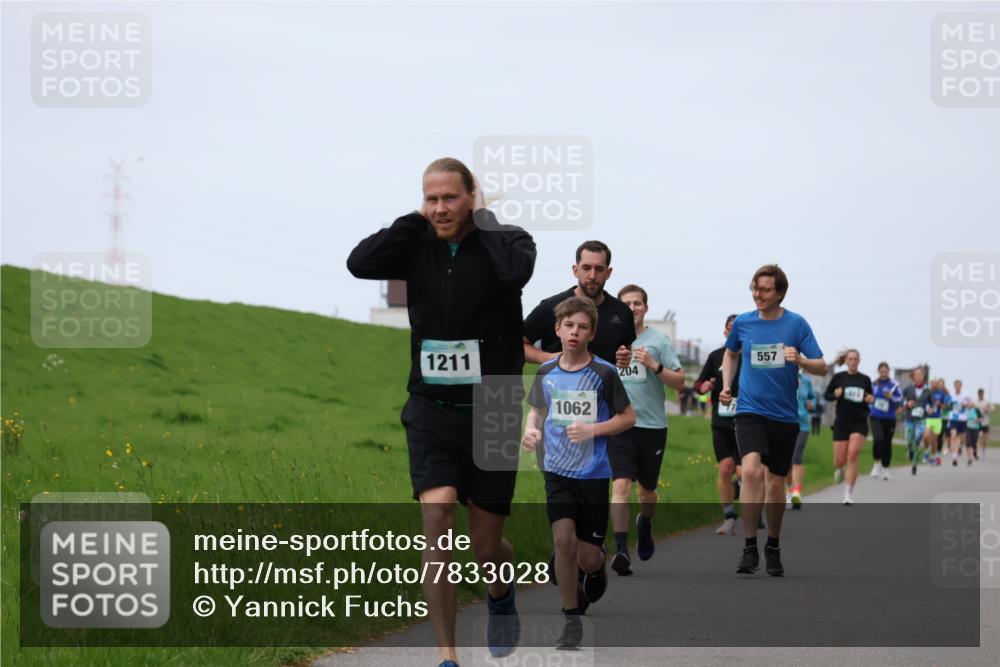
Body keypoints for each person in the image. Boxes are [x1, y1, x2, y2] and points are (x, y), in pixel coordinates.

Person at [347, 157, 536, 667]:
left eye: (450, 197)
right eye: (430, 198)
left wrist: (486, 223)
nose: (439, 208)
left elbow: (516, 272)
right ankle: (448, 655)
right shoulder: (417, 241)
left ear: (472, 196)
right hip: (431, 405)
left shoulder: (509, 240)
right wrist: (414, 222)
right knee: (438, 515)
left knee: (485, 545)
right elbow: (359, 263)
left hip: (493, 405)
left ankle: (500, 590)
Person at [522, 297, 636, 650]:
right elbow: (537, 410)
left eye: (582, 326)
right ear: (557, 330)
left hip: (593, 474)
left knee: (586, 556)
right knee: (563, 542)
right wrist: (531, 430)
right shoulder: (546, 372)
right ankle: (571, 619)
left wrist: (593, 430)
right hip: (556, 470)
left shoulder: (604, 373)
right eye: (568, 325)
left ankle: (596, 563)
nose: (574, 332)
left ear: (592, 333)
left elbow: (627, 418)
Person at [719, 264, 826, 577]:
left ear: (780, 293)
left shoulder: (796, 324)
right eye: (754, 288)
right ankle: (750, 546)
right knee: (750, 472)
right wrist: (727, 385)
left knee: (776, 482)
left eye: (764, 290)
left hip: (784, 416)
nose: (757, 294)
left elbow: (821, 366)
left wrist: (801, 360)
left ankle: (774, 544)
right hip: (750, 411)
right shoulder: (743, 322)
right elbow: (731, 353)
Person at [606, 284, 684, 576]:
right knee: (621, 486)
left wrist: (655, 365)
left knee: (647, 491)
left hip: (652, 426)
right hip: (620, 425)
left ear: (645, 309)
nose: (632, 308)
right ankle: (622, 548)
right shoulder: (610, 339)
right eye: (626, 303)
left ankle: (645, 523)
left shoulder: (658, 340)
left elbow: (680, 383)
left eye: (637, 303)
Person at [522, 240, 635, 367]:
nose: (592, 275)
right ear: (576, 270)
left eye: (599, 269)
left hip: (603, 386)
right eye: (586, 268)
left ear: (608, 273)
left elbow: (625, 351)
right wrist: (550, 358)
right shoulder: (551, 307)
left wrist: (624, 358)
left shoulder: (623, 313)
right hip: (557, 386)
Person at [696, 314, 742, 535]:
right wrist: (704, 386)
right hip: (721, 422)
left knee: (745, 473)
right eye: (730, 329)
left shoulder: (751, 357)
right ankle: (729, 516)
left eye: (738, 329)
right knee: (725, 469)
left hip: (746, 423)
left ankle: (753, 506)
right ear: (725, 332)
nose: (733, 333)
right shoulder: (716, 357)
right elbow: (698, 383)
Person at [825, 349, 873, 505]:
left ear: (859, 361)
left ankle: (848, 492)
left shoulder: (865, 379)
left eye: (855, 359)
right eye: (850, 359)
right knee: (839, 460)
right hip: (842, 422)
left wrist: (870, 399)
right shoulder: (839, 377)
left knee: (853, 454)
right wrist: (836, 395)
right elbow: (827, 395)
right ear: (846, 361)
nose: (852, 361)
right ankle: (839, 468)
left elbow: (869, 397)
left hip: (859, 421)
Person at [869, 362, 903, 480]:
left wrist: (891, 397)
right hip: (875, 416)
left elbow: (900, 399)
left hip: (889, 418)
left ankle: (886, 468)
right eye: (881, 371)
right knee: (878, 439)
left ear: (889, 372)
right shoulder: (874, 384)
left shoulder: (894, 385)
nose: (883, 374)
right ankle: (876, 463)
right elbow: (868, 397)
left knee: (887, 443)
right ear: (878, 372)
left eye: (885, 372)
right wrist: (870, 400)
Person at [788, 370, 817, 509]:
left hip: (802, 424)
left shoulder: (806, 380)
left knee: (796, 458)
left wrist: (812, 403)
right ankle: (789, 491)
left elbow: (813, 397)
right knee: (785, 461)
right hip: (783, 423)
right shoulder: (780, 375)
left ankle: (797, 493)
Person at [901, 367, 931, 475]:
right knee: (909, 439)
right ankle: (910, 449)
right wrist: (906, 404)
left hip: (921, 420)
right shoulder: (908, 389)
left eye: (920, 375)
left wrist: (930, 408)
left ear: (923, 377)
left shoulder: (927, 391)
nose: (918, 377)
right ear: (913, 377)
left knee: (918, 438)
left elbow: (932, 404)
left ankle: (914, 464)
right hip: (909, 418)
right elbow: (900, 399)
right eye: (916, 375)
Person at [947, 379, 973, 466]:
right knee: (953, 436)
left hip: (962, 419)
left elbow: (971, 405)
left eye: (959, 386)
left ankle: (960, 447)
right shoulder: (951, 394)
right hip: (953, 418)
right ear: (954, 386)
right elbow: (947, 404)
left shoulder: (966, 394)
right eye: (956, 386)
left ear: (961, 386)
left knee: (962, 439)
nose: (957, 387)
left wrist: (965, 405)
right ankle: (954, 457)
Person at [925, 379, 949, 465]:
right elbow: (924, 403)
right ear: (930, 384)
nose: (933, 385)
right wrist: (927, 409)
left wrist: (940, 405)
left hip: (937, 419)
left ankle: (934, 456)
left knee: (933, 440)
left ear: (937, 384)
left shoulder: (941, 393)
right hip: (928, 418)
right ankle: (927, 452)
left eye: (935, 383)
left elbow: (944, 407)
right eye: (932, 383)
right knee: (926, 436)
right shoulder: (927, 392)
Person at [976, 388, 993, 459]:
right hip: (978, 423)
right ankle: (977, 452)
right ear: (978, 394)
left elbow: (993, 409)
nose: (980, 395)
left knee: (984, 439)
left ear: (983, 394)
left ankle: (984, 452)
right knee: (979, 438)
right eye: (979, 394)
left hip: (985, 423)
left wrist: (988, 409)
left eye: (981, 393)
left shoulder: (987, 402)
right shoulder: (976, 402)